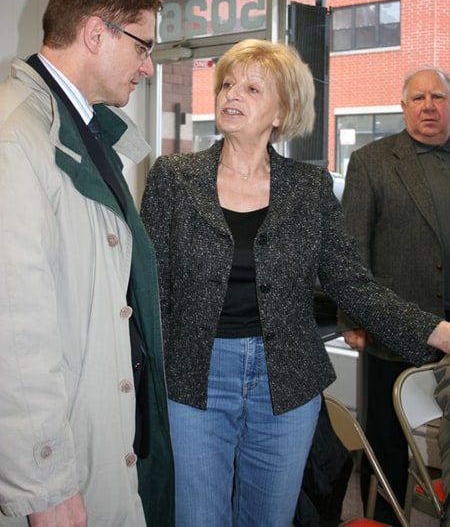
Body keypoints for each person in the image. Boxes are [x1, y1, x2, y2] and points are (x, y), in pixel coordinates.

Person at [139, 39, 450, 527]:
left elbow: (352, 282)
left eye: (252, 87)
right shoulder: (174, 178)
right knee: (197, 517)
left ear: (281, 112)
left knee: (271, 518)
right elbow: (150, 288)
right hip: (196, 376)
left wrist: (438, 331)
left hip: (286, 379)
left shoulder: (309, 187)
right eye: (226, 83)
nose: (230, 95)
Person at [0, 0, 174, 527]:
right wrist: (44, 486)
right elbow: (13, 327)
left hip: (99, 416)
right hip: (54, 461)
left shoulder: (84, 127)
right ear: (96, 34)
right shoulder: (14, 134)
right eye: (143, 47)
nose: (148, 67)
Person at [340, 65, 450, 524]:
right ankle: (381, 519)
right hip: (391, 330)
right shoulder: (372, 161)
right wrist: (353, 321)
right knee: (385, 443)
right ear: (403, 106)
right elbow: (350, 249)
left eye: (438, 98)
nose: (429, 106)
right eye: (419, 98)